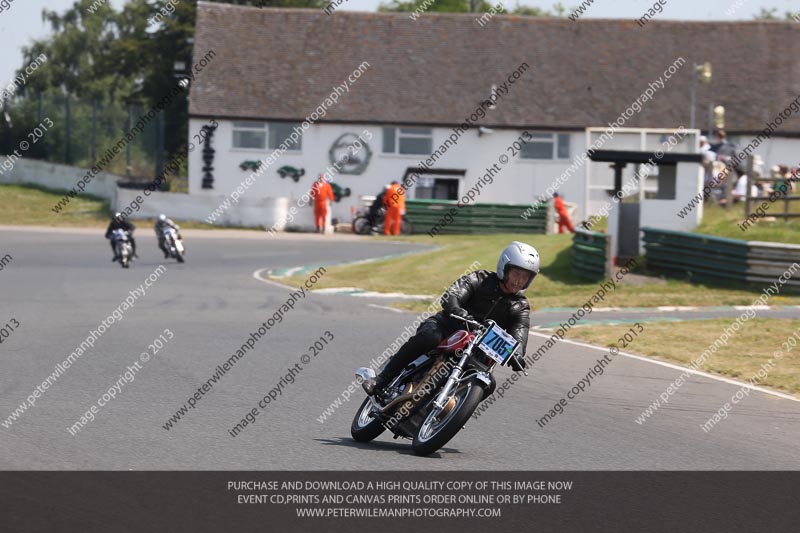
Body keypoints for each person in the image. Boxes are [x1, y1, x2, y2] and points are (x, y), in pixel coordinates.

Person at [362, 241, 540, 397]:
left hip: (477, 350)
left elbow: (520, 331)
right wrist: (457, 309)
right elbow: (453, 294)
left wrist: (516, 354)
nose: (519, 280)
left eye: (525, 277)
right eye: (516, 273)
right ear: (504, 267)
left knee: (489, 384)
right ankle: (381, 379)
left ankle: (449, 412)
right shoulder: (480, 278)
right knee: (429, 337)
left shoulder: (520, 306)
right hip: (447, 327)